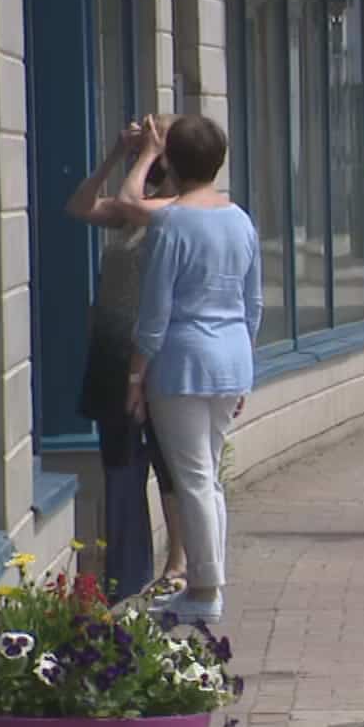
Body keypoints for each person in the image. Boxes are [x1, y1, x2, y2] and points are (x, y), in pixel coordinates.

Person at [127, 115, 262, 622]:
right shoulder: (241, 220)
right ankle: (208, 581)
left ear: (173, 164)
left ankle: (206, 590)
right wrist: (243, 359)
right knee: (210, 474)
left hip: (182, 362)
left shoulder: (172, 223)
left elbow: (155, 310)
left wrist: (136, 373)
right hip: (230, 358)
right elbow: (254, 302)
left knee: (194, 477)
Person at [66, 115, 189, 602]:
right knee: (119, 461)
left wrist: (145, 155)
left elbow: (134, 203)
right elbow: (78, 206)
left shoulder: (178, 206)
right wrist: (116, 156)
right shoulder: (137, 202)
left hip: (155, 354)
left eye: (160, 140)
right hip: (113, 349)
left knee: (167, 460)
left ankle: (178, 560)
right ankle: (125, 569)